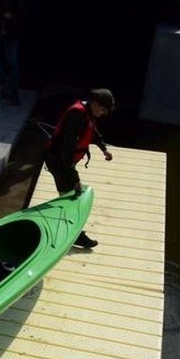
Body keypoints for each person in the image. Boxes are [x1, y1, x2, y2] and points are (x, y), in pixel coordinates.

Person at [44, 88, 116, 249]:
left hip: (65, 161)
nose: (104, 113)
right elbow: (66, 154)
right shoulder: (77, 117)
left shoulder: (88, 113)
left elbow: (93, 132)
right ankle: (77, 236)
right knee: (73, 197)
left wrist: (103, 148)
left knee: (70, 196)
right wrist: (75, 179)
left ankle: (70, 228)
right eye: (104, 109)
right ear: (96, 104)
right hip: (59, 161)